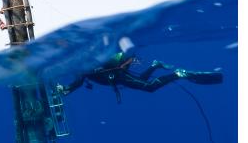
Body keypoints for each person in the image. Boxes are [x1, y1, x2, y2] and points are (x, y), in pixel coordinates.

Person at [56, 52, 223, 103]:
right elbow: (81, 78)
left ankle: (177, 74)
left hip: (118, 76)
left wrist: (66, 90)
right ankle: (155, 65)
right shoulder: (83, 63)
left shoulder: (81, 65)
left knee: (149, 87)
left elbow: (79, 80)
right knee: (144, 82)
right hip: (117, 75)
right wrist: (67, 89)